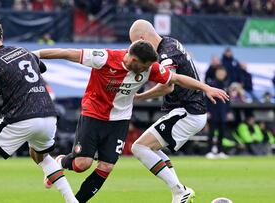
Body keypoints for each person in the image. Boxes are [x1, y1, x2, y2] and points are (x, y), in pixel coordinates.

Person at [33, 40, 228, 203]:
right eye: (144, 66)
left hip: (120, 120)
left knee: (106, 167)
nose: (147, 71)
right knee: (82, 164)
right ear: (133, 59)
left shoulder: (150, 67)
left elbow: (175, 79)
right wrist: (35, 54)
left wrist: (205, 88)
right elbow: (67, 53)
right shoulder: (105, 58)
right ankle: (61, 161)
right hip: (93, 114)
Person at [0, 17, 78, 203]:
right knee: (41, 156)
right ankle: (73, 201)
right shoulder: (22, 51)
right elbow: (42, 67)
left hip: (21, 117)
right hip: (48, 115)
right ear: (1, 36)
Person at [128, 19, 228, 203]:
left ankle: (180, 191)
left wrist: (139, 97)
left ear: (142, 38)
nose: (135, 49)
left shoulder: (167, 52)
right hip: (188, 111)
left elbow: (167, 87)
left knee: (139, 147)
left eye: (135, 43)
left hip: (187, 112)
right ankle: (180, 192)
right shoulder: (169, 43)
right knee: (149, 148)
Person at [205, 67, 230, 159]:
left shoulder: (225, 85)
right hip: (213, 112)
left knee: (222, 133)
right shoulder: (211, 84)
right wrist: (207, 111)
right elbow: (206, 99)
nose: (221, 74)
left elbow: (228, 100)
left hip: (222, 113)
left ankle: (220, 151)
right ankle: (209, 151)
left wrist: (228, 111)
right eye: (220, 72)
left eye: (223, 73)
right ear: (216, 73)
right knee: (211, 133)